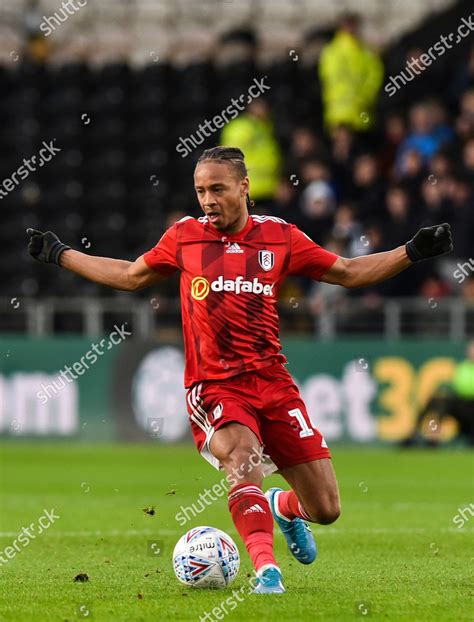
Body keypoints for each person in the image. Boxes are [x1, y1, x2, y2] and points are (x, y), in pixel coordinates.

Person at [26, 146, 453, 594]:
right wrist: (62, 254)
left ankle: (282, 507)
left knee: (326, 508)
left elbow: (347, 271)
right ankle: (267, 571)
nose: (207, 200)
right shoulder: (185, 237)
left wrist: (412, 251)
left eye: (217, 189)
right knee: (242, 457)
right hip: (214, 385)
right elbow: (131, 276)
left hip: (274, 384)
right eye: (200, 191)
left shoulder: (280, 237)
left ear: (244, 188)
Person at [319, 12, 383, 131]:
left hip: (358, 111)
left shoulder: (366, 52)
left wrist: (364, 97)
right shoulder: (332, 51)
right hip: (341, 113)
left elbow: (375, 77)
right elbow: (331, 79)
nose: (351, 29)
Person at [403, 340, 474, 447]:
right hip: (462, 403)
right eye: (471, 349)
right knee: (437, 401)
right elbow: (457, 386)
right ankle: (424, 435)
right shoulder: (462, 366)